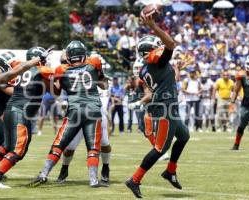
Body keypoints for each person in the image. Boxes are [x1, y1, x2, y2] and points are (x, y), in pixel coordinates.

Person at [28, 41, 109, 188]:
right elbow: (104, 84)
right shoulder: (94, 62)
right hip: (93, 109)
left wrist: (48, 77)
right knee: (93, 147)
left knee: (59, 143)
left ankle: (43, 174)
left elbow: (57, 92)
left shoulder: (61, 69)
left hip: (74, 109)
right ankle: (93, 180)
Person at [125, 14, 189, 198]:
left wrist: (177, 70)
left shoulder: (147, 68)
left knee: (184, 136)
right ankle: (134, 179)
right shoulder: (155, 63)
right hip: (165, 108)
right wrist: (153, 25)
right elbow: (170, 44)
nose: (161, 48)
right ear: (151, 51)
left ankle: (170, 171)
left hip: (168, 105)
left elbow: (166, 77)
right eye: (157, 47)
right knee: (160, 148)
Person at [0, 47, 54, 188]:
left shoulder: (22, 69)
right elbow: (54, 90)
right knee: (19, 149)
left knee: (5, 146)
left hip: (11, 110)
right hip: (21, 112)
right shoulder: (41, 70)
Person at [57, 87, 111, 185]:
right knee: (69, 148)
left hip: (96, 114)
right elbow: (65, 99)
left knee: (104, 144)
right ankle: (64, 168)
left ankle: (106, 167)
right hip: (78, 115)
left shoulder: (100, 81)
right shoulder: (75, 79)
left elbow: (104, 99)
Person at [182, 67, 202, 131]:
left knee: (197, 114)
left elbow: (201, 88)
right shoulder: (186, 80)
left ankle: (197, 127)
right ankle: (185, 127)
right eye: (192, 72)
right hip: (189, 99)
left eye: (194, 72)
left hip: (196, 99)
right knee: (187, 114)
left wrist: (198, 92)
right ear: (189, 73)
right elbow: (183, 89)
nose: (193, 74)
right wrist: (191, 93)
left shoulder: (198, 80)